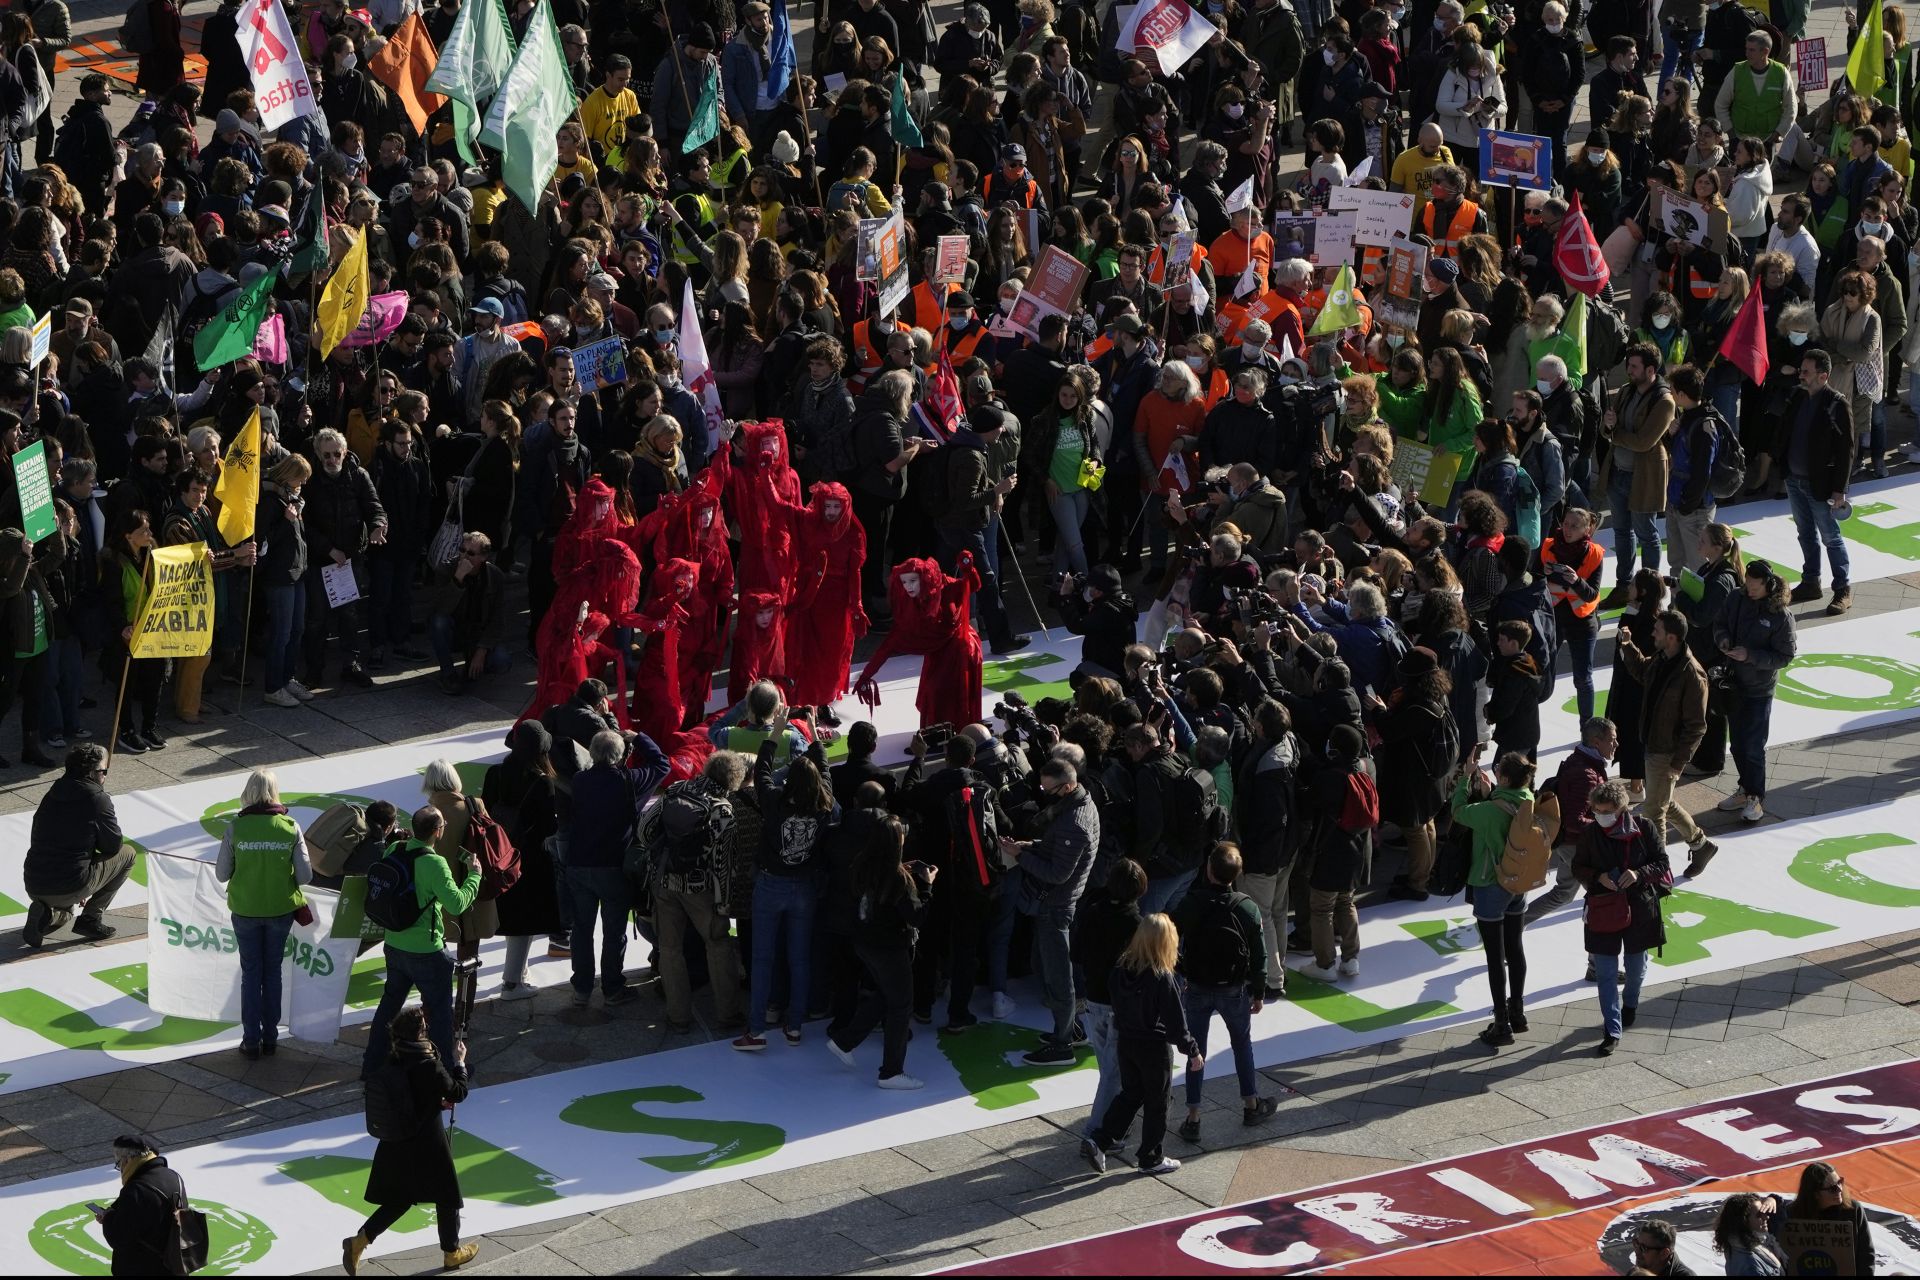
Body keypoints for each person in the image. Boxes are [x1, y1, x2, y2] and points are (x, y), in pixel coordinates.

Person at [340, 1006, 480, 1276]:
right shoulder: (428, 1062)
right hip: (427, 1140)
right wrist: (460, 1062)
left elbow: (408, 1093)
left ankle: (359, 1242)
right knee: (447, 1194)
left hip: (398, 1139)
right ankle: (451, 1253)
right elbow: (458, 1091)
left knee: (401, 1197)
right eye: (425, 1028)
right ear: (419, 1033)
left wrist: (434, 1102)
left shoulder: (395, 1055)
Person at [359, 805, 482, 1079]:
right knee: (439, 1015)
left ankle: (371, 1065)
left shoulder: (394, 850)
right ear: (437, 832)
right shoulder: (434, 863)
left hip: (394, 944)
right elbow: (457, 903)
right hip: (427, 951)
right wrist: (475, 874)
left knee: (388, 1007)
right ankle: (446, 1073)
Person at [997, 755, 1099, 1065]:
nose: (1043, 795)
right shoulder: (1078, 806)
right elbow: (1057, 847)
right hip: (1059, 902)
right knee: (1048, 968)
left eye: (1049, 790)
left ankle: (1062, 1044)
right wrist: (1028, 846)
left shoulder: (1074, 821)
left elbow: (1057, 873)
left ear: (1067, 787)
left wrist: (1022, 855)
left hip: (1056, 906)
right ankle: (1070, 1030)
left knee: (1058, 977)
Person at [1080, 913, 1201, 1177]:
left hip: (1126, 1042)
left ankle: (1100, 1140)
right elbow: (1175, 1022)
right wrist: (1192, 1050)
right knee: (1158, 1103)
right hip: (1153, 1048)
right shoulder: (1162, 977)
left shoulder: (1121, 970)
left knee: (1130, 1095)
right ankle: (1150, 1157)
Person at [1172, 842, 1277, 1141]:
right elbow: (1259, 954)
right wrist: (1258, 991)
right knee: (1242, 1044)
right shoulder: (1246, 907)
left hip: (1197, 986)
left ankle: (1193, 1118)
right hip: (1233, 989)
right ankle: (1251, 1104)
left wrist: (1182, 970)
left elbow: (1169, 936)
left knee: (1196, 1051)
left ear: (1208, 869)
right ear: (1238, 873)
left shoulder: (1192, 903)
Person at [827, 812, 934, 1088]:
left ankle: (845, 1041)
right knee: (901, 1005)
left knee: (888, 996)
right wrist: (926, 886)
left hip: (864, 943)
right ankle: (891, 1072)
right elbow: (917, 916)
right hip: (889, 948)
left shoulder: (863, 865)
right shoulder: (897, 879)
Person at [568, 728, 670, 1006]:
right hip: (614, 866)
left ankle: (582, 988)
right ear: (622, 755)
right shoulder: (630, 780)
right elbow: (662, 764)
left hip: (579, 863)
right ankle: (612, 987)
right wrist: (638, 737)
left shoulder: (579, 780)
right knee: (614, 931)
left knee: (582, 929)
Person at [215, 768, 311, 1060]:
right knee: (273, 974)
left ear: (248, 792)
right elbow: (306, 876)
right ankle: (271, 1038)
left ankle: (251, 1040)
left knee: (250, 975)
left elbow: (221, 874)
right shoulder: (290, 826)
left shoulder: (235, 827)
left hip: (245, 909)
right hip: (280, 909)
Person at [1572, 780, 1671, 1055]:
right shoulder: (1590, 833)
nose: (1601, 816)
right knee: (1605, 973)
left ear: (1621, 809)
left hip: (1640, 907)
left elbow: (1662, 862)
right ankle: (1611, 1029)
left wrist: (1639, 874)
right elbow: (1578, 866)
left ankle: (1630, 1003)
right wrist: (1597, 877)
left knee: (1636, 968)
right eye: (1597, 810)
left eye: (1607, 810)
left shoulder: (1644, 828)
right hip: (1604, 908)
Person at [1615, 608, 1718, 871]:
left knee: (1653, 814)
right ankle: (1700, 844)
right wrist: (1627, 646)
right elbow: (1641, 671)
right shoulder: (1662, 658)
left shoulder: (1692, 674)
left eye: (1657, 630)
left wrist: (1678, 762)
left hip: (1667, 752)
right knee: (1661, 801)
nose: (1653, 633)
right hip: (1651, 744)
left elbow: (1697, 726)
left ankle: (1657, 871)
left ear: (1671, 637)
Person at [1451, 750, 1542, 1048]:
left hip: (1491, 884)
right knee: (1515, 948)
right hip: (1518, 883)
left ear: (1502, 777)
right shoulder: (1528, 800)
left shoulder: (1489, 811)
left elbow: (1459, 811)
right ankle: (1518, 1012)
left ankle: (1500, 1023)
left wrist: (1466, 779)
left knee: (1494, 956)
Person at [652, 752, 748, 1033]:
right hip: (701, 889)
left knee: (670, 950)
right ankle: (728, 1014)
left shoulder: (676, 789)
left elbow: (646, 830)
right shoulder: (723, 810)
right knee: (718, 946)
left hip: (665, 881)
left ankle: (678, 1017)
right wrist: (724, 902)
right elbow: (723, 862)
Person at [1768, 348, 1855, 616]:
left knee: (1830, 536)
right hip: (1794, 480)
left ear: (1823, 376)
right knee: (1805, 533)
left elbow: (1846, 450)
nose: (1800, 375)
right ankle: (1810, 582)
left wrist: (1839, 490)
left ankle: (1842, 589)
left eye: (1806, 372)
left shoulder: (1836, 405)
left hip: (1819, 485)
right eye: (1800, 370)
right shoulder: (1797, 396)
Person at [1712, 559, 1797, 832]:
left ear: (1768, 585)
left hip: (1759, 689)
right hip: (1734, 683)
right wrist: (1723, 639)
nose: (1749, 588)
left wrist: (1751, 656)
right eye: (1747, 582)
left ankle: (1754, 798)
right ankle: (1745, 789)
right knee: (1737, 744)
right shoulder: (1736, 598)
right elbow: (1720, 622)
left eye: (1755, 585)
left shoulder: (1781, 616)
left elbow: (1785, 656)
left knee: (1753, 746)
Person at [483, 722, 562, 1000]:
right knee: (524, 921)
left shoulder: (495, 774)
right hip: (529, 861)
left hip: (498, 856)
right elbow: (548, 828)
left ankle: (519, 972)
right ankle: (512, 983)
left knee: (512, 919)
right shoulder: (542, 782)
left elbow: (486, 814)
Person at [1072, 857, 1145, 1158]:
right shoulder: (1135, 924)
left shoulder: (1092, 912)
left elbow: (1075, 953)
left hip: (1093, 1000)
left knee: (1109, 1069)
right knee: (1114, 1073)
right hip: (1118, 1006)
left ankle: (1112, 1127)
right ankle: (1096, 1134)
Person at [98, 1134, 192, 1276]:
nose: (121, 1169)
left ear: (128, 1161)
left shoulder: (135, 1190)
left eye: (119, 1164)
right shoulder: (173, 1176)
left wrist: (108, 1218)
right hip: (174, 1262)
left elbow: (118, 1238)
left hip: (145, 1266)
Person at [1782, 1160, 1875, 1276]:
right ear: (1815, 1194)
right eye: (1832, 1188)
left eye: (1840, 1182)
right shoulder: (1792, 1214)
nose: (1840, 1190)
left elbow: (1866, 1254)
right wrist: (1772, 1199)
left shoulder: (1853, 1210)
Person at [1712, 1192, 1786, 1276]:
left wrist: (1773, 1199)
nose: (1766, 1217)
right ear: (1743, 1221)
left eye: (1765, 1212)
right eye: (1759, 1215)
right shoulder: (1750, 1266)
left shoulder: (1755, 1241)